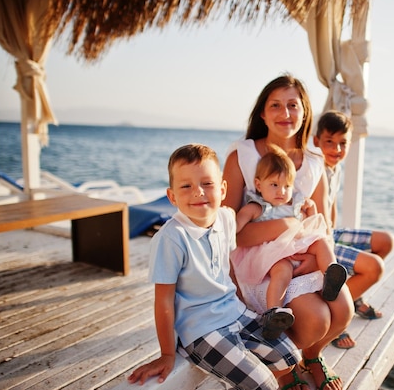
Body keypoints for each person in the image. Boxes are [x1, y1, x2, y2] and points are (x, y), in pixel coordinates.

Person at [127, 144, 302, 390]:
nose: (198, 192)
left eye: (207, 184)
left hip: (233, 310)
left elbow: (227, 265)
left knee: (290, 357)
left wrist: (243, 303)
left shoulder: (227, 217)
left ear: (222, 189)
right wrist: (167, 353)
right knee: (265, 385)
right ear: (172, 196)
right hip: (200, 329)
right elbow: (163, 300)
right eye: (186, 186)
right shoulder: (171, 238)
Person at [223, 74, 353, 390]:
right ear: (263, 114)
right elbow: (229, 231)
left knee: (343, 311)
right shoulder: (243, 155)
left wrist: (314, 259)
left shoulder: (314, 161)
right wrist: (286, 226)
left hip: (307, 255)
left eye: (293, 105)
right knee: (317, 318)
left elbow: (322, 220)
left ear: (305, 111)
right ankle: (284, 367)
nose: (285, 114)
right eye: (276, 105)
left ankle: (312, 356)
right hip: (264, 261)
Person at [232, 145, 348, 340]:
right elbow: (236, 225)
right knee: (282, 271)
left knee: (321, 243)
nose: (281, 191)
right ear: (259, 185)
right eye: (274, 185)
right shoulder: (258, 206)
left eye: (287, 186)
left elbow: (313, 220)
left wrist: (310, 209)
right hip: (273, 252)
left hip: (296, 245)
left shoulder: (295, 204)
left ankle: (331, 275)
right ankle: (273, 312)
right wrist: (233, 225)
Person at [313, 110, 394, 350]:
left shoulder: (335, 168)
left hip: (332, 232)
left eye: (342, 143)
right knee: (373, 268)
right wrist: (329, 243)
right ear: (317, 141)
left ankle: (353, 294)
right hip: (319, 240)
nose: (336, 149)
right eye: (329, 141)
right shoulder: (314, 168)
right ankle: (336, 314)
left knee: (385, 241)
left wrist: (336, 231)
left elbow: (332, 206)